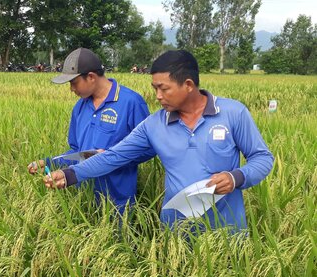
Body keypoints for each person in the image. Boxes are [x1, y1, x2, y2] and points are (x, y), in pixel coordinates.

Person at [44, 50, 274, 233]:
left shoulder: (233, 113)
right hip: (176, 231)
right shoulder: (154, 125)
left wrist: (236, 177)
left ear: (188, 85)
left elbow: (262, 158)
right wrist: (70, 174)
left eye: (164, 89)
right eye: (155, 89)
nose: (158, 96)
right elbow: (114, 156)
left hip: (228, 230)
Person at [28, 47, 151, 213]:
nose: (71, 89)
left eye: (73, 82)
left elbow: (147, 149)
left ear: (91, 77)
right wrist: (49, 163)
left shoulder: (131, 103)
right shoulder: (80, 107)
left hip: (118, 202)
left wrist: (109, 156)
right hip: (84, 199)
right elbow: (78, 152)